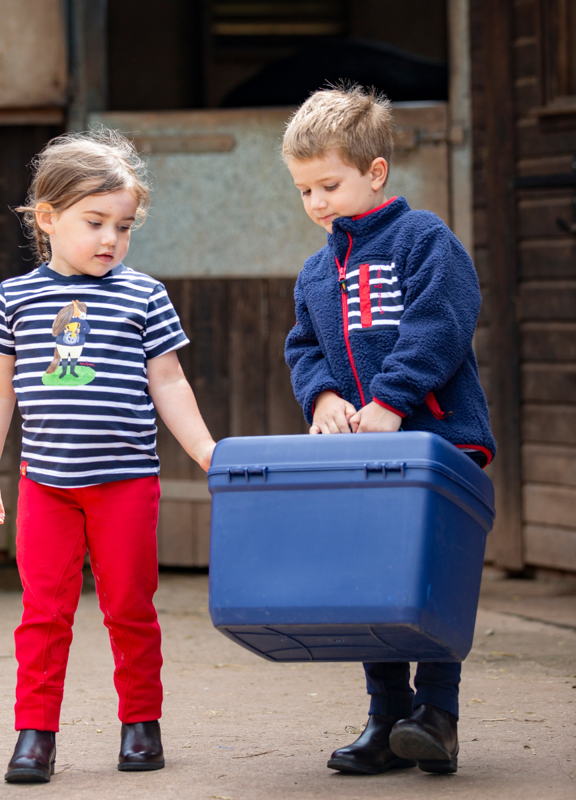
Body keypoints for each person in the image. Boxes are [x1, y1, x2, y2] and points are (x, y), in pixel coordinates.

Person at [0, 129, 216, 783]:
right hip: (45, 485)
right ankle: (35, 735)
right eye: (95, 223)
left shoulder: (144, 296)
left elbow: (169, 382)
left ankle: (141, 724)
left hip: (126, 483)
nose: (111, 239)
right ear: (47, 219)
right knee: (43, 612)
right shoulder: (13, 299)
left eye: (124, 226)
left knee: (130, 606)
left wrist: (204, 450)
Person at [282, 84, 496, 776]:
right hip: (360, 453)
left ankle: (437, 714)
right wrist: (319, 401)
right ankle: (385, 714)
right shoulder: (317, 271)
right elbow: (304, 347)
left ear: (374, 174)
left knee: (428, 578)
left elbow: (443, 322)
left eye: (329, 185)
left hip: (434, 443)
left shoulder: (423, 239)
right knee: (371, 582)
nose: (317, 204)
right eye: (304, 191)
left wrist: (393, 398)